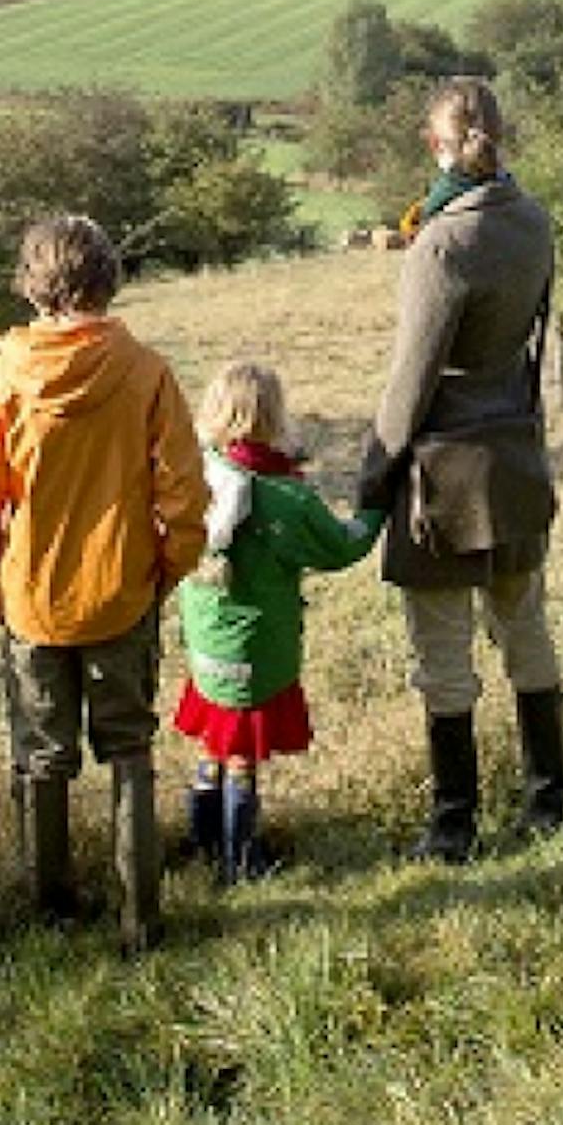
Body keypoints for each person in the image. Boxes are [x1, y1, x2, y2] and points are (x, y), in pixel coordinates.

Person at [0, 214, 205, 952]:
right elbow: (185, 495)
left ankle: (51, 911)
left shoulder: (7, 376)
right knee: (129, 749)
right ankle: (141, 919)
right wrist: (165, 572)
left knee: (42, 757)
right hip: (122, 589)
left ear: (33, 286)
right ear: (108, 278)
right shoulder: (147, 371)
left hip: (31, 597)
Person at [355, 76, 563, 864]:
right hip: (514, 455)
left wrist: (373, 474)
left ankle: (453, 828)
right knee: (527, 631)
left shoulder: (440, 244)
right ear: (501, 137)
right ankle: (549, 805)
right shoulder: (535, 220)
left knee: (443, 656)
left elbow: (411, 381)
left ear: (432, 144)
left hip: (443, 474)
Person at [172, 361, 384, 884]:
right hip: (256, 646)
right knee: (242, 753)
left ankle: (201, 843)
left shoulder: (194, 474)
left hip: (205, 641)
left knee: (212, 745)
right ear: (273, 418)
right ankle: (240, 861)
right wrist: (377, 509)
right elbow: (341, 546)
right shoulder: (284, 498)